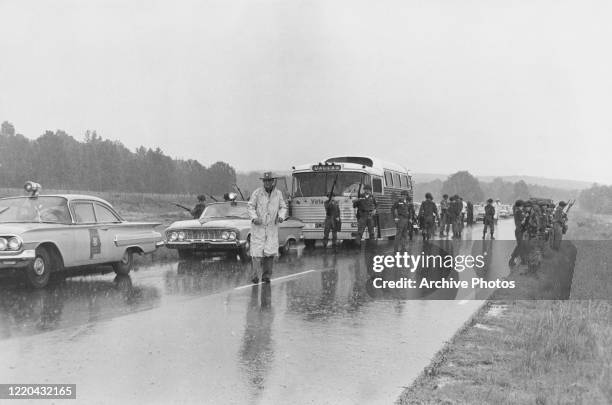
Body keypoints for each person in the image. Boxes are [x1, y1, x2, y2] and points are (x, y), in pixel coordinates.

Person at [247, 172, 288, 283]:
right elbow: (250, 206)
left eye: (270, 180)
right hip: (259, 228)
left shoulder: (278, 194)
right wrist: (254, 218)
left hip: (271, 228)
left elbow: (283, 207)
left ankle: (266, 276)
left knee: (269, 254)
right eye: (266, 181)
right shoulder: (257, 193)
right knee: (256, 254)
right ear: (263, 182)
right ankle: (255, 276)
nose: (268, 183)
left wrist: (280, 216)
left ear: (273, 181)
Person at [509, 200, 525, 266]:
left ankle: (521, 259)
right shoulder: (519, 212)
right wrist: (525, 216)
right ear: (520, 206)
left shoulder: (516, 210)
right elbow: (522, 222)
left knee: (520, 245)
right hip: (519, 230)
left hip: (518, 230)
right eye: (522, 206)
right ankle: (512, 259)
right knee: (520, 246)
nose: (523, 207)